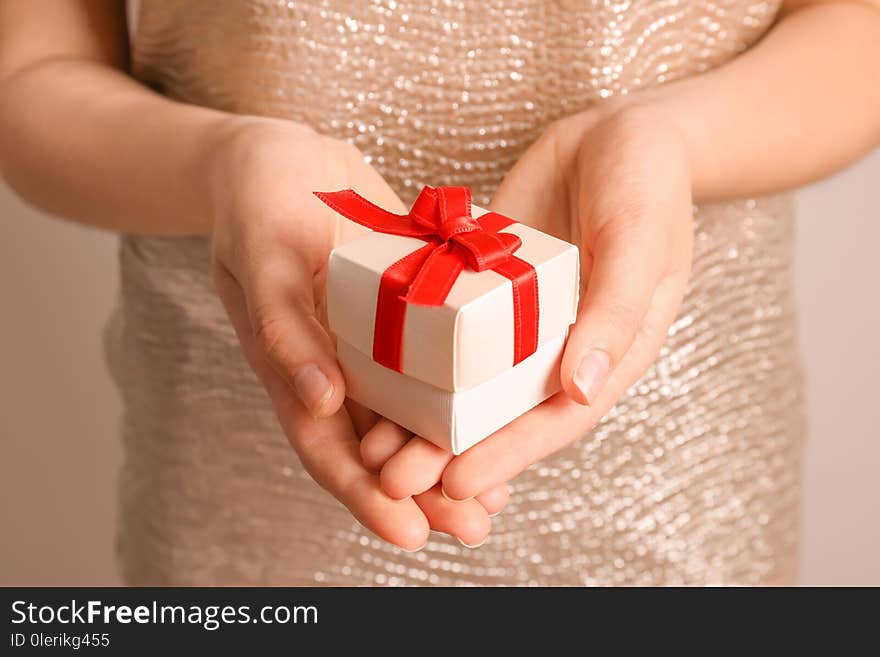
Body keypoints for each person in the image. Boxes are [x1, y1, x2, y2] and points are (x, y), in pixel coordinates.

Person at [1, 0, 878, 585]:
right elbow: (31, 72)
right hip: (244, 481)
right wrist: (224, 161)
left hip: (682, 480)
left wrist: (670, 140)